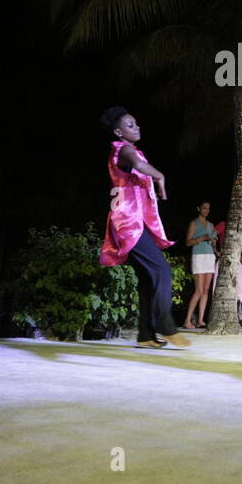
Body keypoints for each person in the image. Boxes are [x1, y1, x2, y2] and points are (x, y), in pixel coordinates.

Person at [97, 107, 190, 349]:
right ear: (118, 132)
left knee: (148, 280)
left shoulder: (124, 151)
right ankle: (164, 324)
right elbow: (138, 163)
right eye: (130, 125)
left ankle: (145, 335)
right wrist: (160, 176)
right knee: (161, 271)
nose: (136, 127)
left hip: (131, 222)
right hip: (128, 224)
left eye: (136, 123)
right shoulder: (125, 150)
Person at [183, 201, 218, 329]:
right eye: (204, 208)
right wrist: (201, 238)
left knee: (206, 290)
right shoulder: (194, 223)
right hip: (198, 256)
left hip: (209, 256)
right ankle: (187, 320)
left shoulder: (211, 225)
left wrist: (214, 245)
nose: (206, 210)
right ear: (199, 208)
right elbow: (187, 242)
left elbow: (213, 242)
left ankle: (201, 320)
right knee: (198, 290)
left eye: (208, 208)